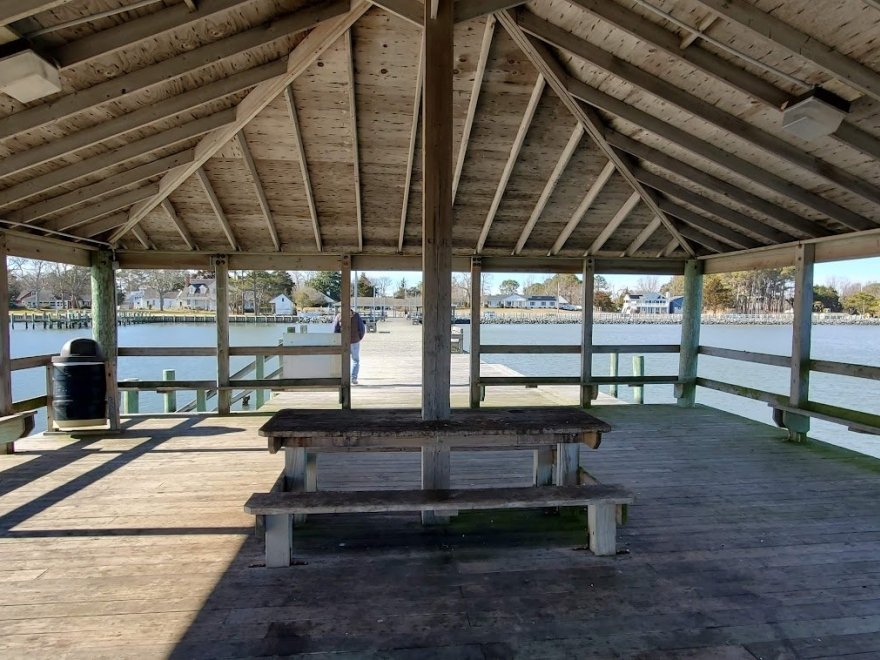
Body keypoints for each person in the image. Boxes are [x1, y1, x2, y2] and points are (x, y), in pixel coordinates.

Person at [333, 308, 366, 385]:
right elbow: (362, 328)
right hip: (355, 341)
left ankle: (343, 378)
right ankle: (354, 378)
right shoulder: (356, 316)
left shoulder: (339, 316)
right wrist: (359, 337)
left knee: (343, 360)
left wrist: (337, 340)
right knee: (355, 360)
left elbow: (335, 329)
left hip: (343, 342)